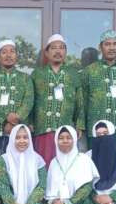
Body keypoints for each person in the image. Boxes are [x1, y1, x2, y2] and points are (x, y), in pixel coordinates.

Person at [31, 34, 85, 166]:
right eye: (54, 48)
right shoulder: (37, 74)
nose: (58, 51)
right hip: (43, 129)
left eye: (61, 48)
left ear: (65, 52)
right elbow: (30, 100)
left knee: (65, 165)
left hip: (65, 131)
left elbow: (80, 101)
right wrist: (29, 122)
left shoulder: (73, 74)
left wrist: (79, 124)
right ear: (47, 52)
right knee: (43, 165)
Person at [0, 39, 34, 159]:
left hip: (21, 133)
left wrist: (16, 118)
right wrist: (5, 119)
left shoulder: (25, 78)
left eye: (12, 51)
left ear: (16, 56)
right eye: (4, 52)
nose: (8, 55)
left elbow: (29, 101)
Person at [81, 30, 116, 148]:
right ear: (100, 47)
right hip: (96, 129)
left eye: (115, 44)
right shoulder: (89, 71)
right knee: (96, 159)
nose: (111, 48)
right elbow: (83, 101)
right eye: (107, 44)